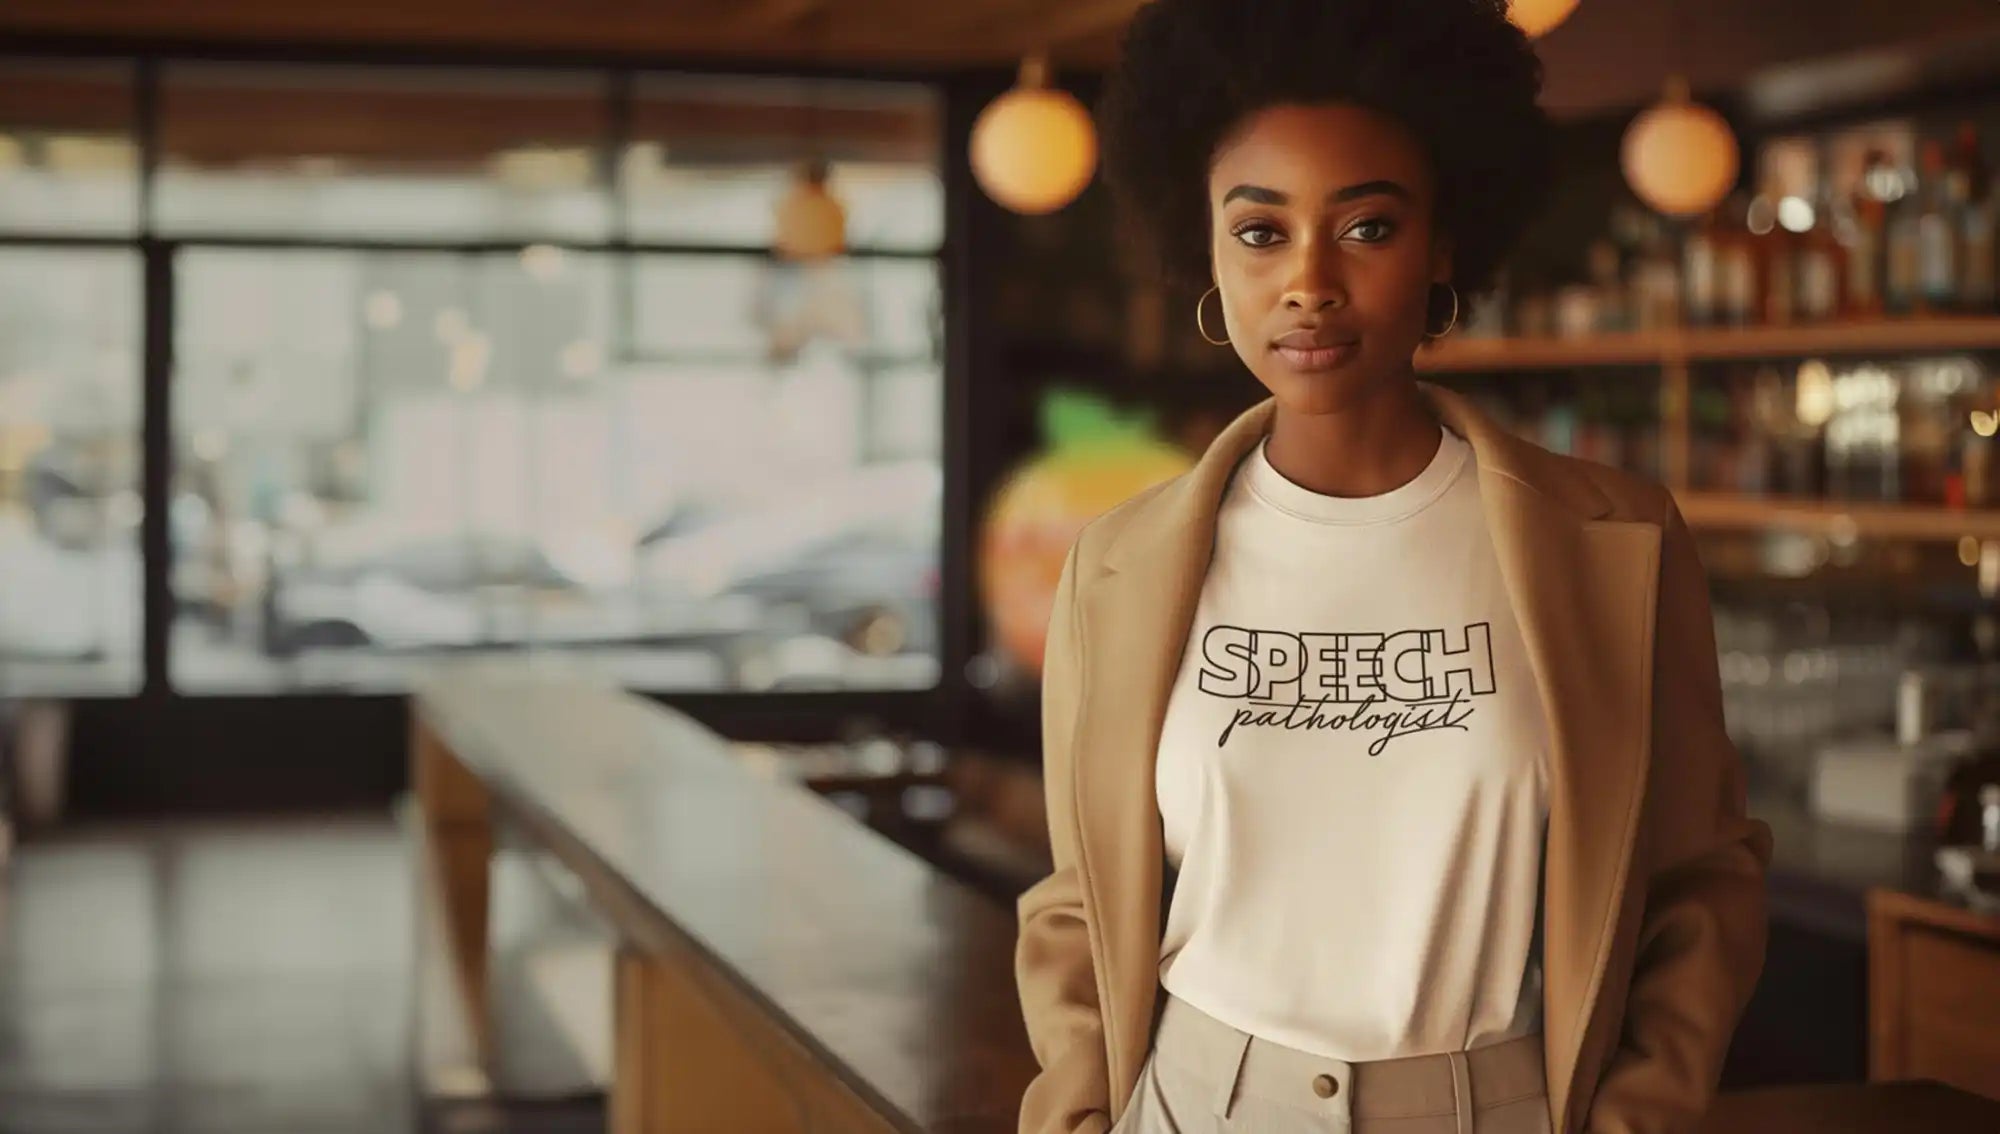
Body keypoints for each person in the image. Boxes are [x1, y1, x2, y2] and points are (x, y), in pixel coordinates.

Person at [1011, 2, 1774, 1132]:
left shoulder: (1616, 542)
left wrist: (1634, 1116)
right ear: (1207, 254)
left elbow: (1698, 881)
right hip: (1192, 1103)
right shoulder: (1114, 568)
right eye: (1260, 233)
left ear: (1441, 245)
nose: (1308, 282)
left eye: (1364, 228)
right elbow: (1076, 902)